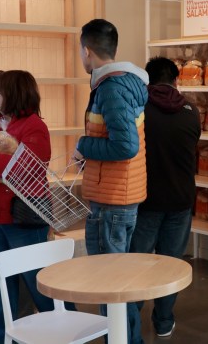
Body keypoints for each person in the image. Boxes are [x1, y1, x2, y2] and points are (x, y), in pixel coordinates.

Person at [73, 18, 149, 344]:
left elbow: (125, 145)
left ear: (88, 51)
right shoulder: (126, 83)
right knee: (121, 284)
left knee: (110, 286)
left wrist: (83, 146)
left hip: (111, 202)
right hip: (123, 196)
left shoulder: (111, 89)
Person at [0, 70, 54, 343]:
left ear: (11, 94)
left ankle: (64, 329)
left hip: (25, 216)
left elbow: (23, 167)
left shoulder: (34, 126)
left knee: (38, 281)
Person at [130, 57, 200, 337]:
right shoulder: (191, 110)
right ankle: (163, 321)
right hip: (181, 199)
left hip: (145, 199)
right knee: (171, 264)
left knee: (136, 263)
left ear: (147, 80)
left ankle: (130, 322)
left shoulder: (139, 108)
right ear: (176, 80)